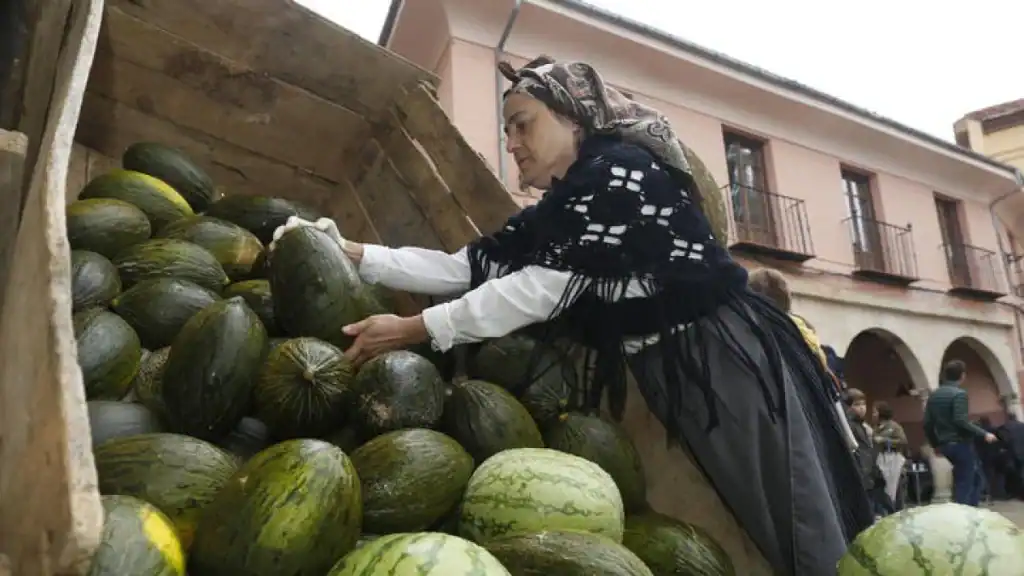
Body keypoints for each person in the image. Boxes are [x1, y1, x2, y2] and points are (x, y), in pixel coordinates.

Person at [272, 56, 872, 574]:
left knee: (793, 513)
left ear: (573, 117)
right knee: (759, 514)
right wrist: (347, 250)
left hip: (726, 364)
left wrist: (414, 329)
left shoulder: (616, 173)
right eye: (507, 129)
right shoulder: (566, 207)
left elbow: (541, 290)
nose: (512, 143)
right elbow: (467, 267)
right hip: (681, 370)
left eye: (523, 124)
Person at [923, 359, 997, 506]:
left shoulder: (934, 396)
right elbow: (960, 421)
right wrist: (984, 434)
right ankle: (964, 514)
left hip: (945, 444)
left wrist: (935, 444)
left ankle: (970, 510)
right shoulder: (959, 394)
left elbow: (927, 424)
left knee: (974, 478)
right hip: (960, 443)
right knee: (966, 483)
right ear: (962, 376)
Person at [846, 389, 894, 517]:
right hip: (862, 473)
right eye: (857, 405)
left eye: (863, 404)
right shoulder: (850, 426)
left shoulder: (861, 425)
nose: (862, 408)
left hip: (870, 472)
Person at [872, 401, 908, 509]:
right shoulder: (876, 427)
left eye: (875, 412)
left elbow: (903, 441)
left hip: (894, 462)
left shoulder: (894, 426)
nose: (873, 414)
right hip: (881, 462)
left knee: (896, 492)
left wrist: (885, 440)